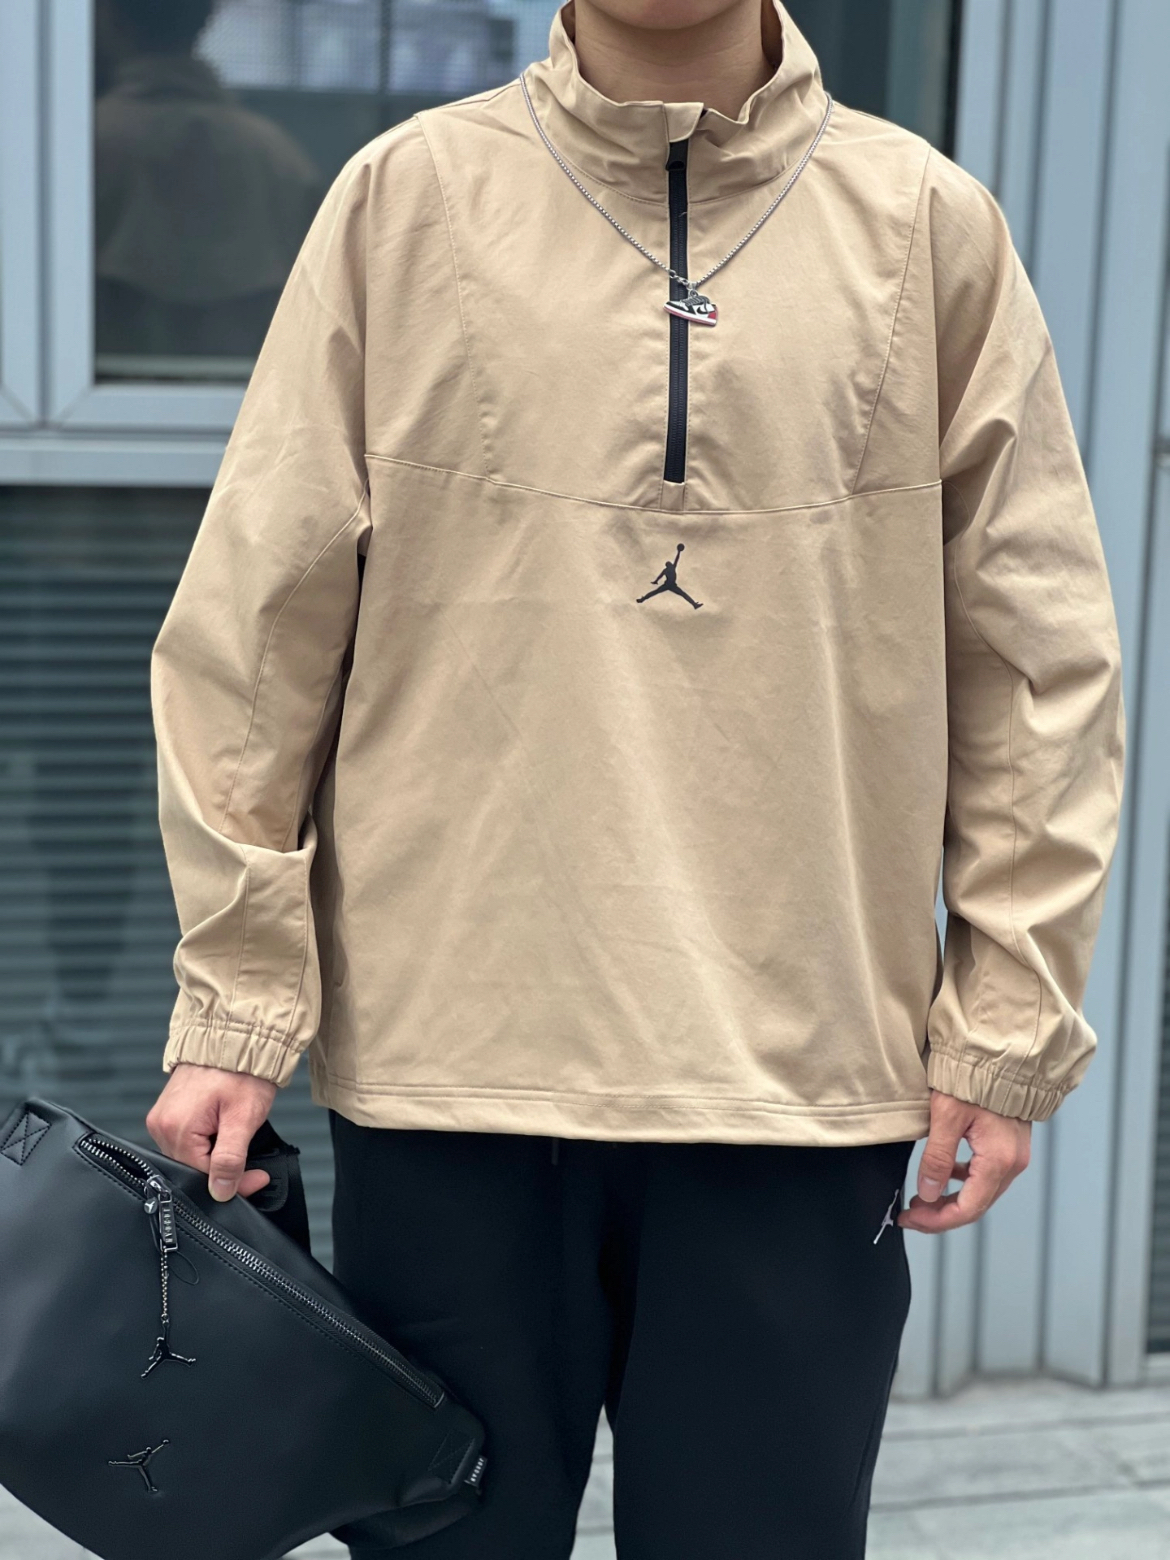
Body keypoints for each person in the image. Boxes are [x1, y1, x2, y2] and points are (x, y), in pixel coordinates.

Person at [143, 2, 1127, 1556]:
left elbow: (1035, 659)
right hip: (450, 1063)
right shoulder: (406, 199)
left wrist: (1006, 1020)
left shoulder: (925, 224)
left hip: (799, 1069)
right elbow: (257, 629)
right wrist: (236, 1008)